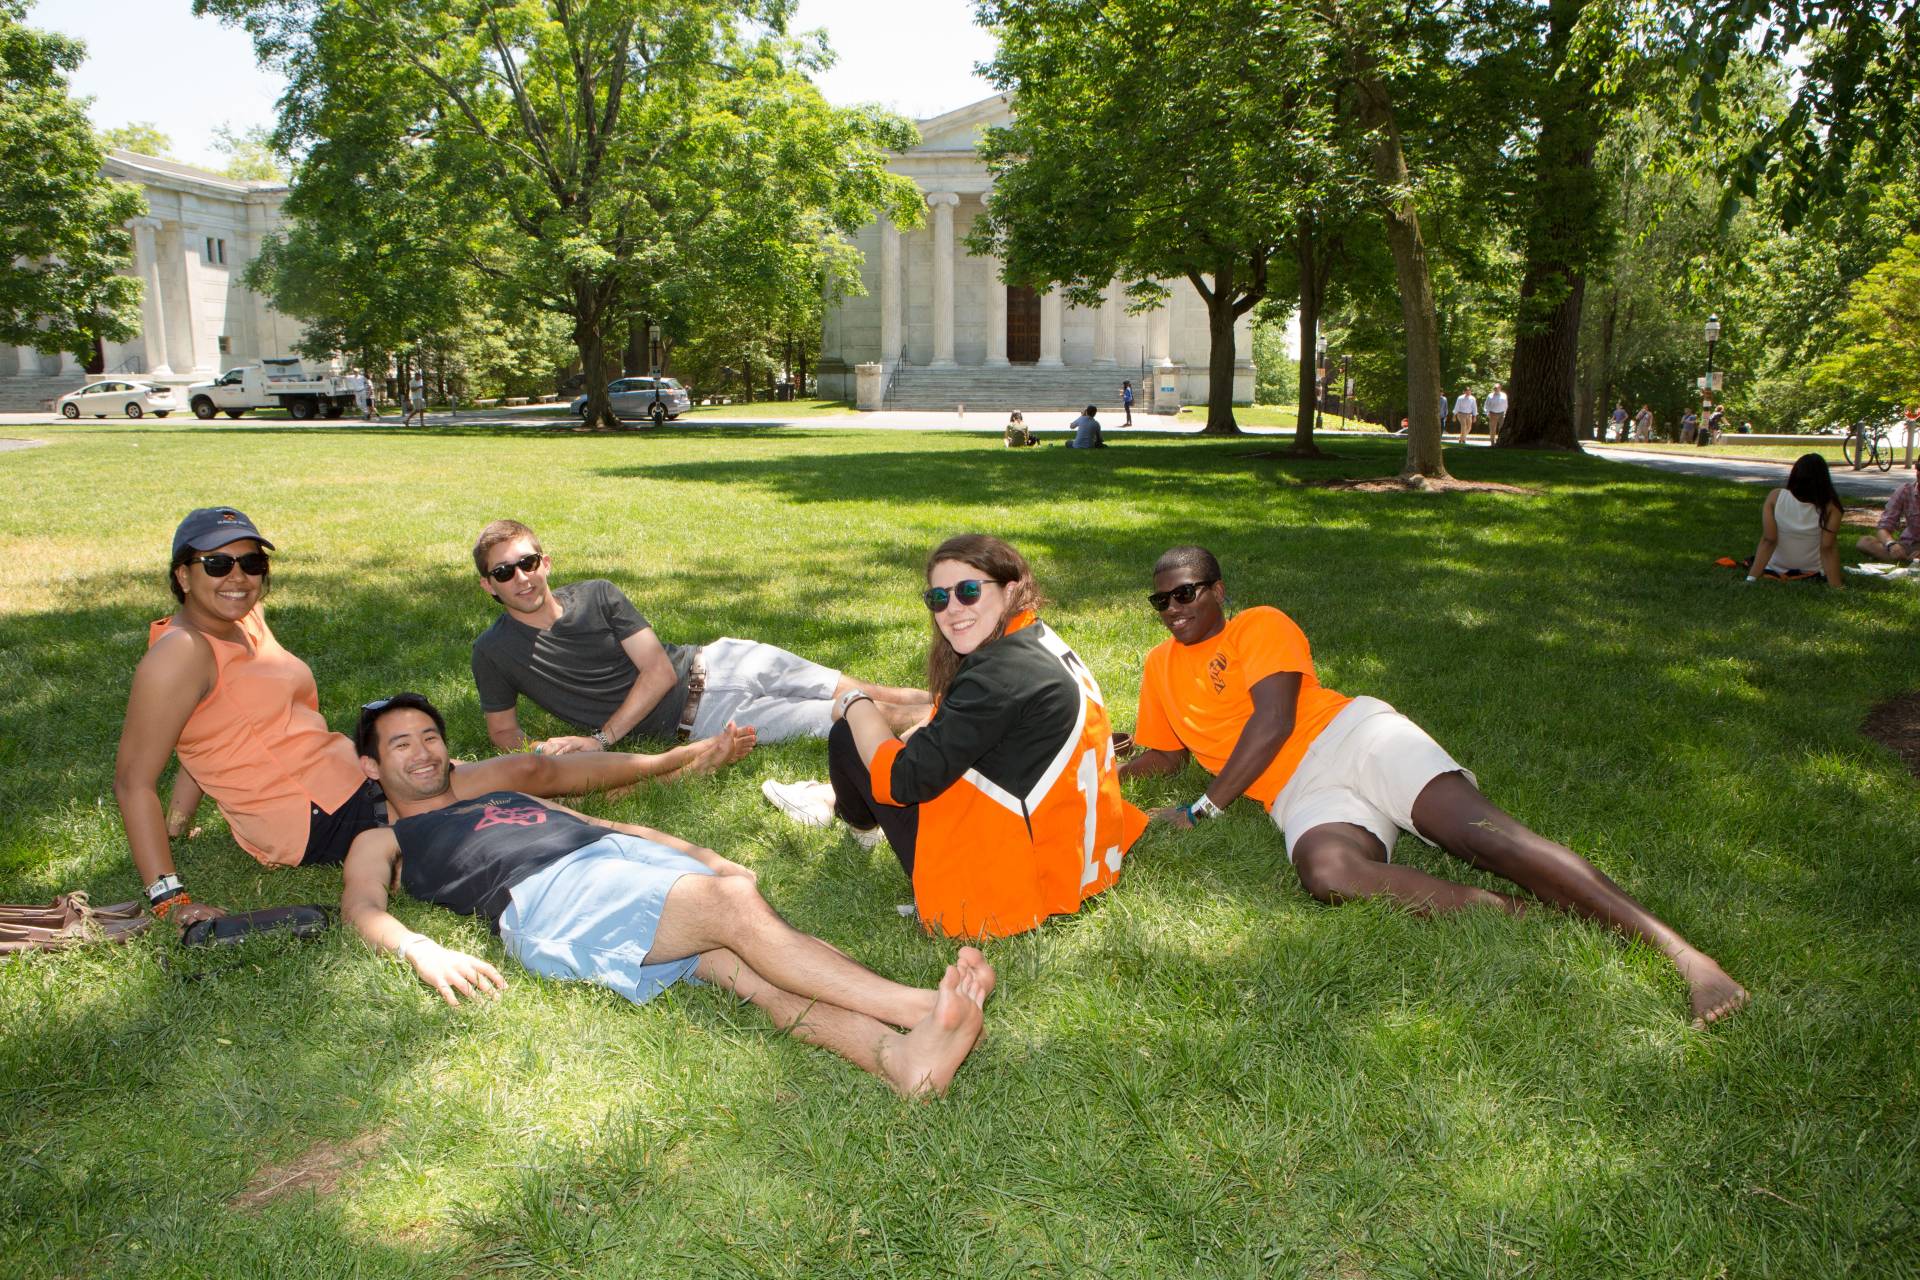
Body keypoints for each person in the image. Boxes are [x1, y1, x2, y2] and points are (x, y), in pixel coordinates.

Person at [1119, 546, 1749, 1028]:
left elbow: (1275, 721)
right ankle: (1523, 913)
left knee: (1485, 835)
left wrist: (1202, 811)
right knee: (1329, 875)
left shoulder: (1258, 624)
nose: (1174, 611)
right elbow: (1166, 757)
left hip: (1352, 738)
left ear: (1218, 590)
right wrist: (1106, 764)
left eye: (1186, 594)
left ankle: (1685, 956)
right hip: (1299, 796)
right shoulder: (1158, 667)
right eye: (1162, 603)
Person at [113, 507, 751, 929]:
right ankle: (674, 762)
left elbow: (204, 735)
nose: (239, 578)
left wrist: (181, 818)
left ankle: (664, 769)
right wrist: (171, 898)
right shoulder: (180, 654)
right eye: (218, 565)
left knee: (521, 774)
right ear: (182, 574)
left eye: (253, 563)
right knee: (520, 780)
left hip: (348, 775)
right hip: (310, 815)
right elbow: (133, 778)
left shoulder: (242, 620)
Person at [343, 694, 992, 1098]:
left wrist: (703, 856)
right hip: (550, 896)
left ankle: (904, 1061)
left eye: (430, 737)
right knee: (733, 913)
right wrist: (421, 950)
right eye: (400, 744)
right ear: (372, 766)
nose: (423, 752)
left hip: (620, 864)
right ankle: (921, 1008)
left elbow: (610, 827)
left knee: (756, 973)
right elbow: (361, 908)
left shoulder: (503, 795)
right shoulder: (386, 838)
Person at [761, 535, 1146, 939]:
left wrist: (857, 701)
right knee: (885, 738)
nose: (953, 609)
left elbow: (901, 780)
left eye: (968, 591)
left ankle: (858, 827)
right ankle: (843, 808)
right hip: (1076, 851)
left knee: (847, 735)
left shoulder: (997, 676)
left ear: (1011, 589)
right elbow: (950, 727)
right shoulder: (1033, 639)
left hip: (1008, 878)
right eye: (939, 598)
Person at [470, 519, 932, 753]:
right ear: (488, 585)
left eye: (528, 563)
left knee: (867, 691)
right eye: (505, 572)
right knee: (855, 715)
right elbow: (503, 732)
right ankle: (966, 723)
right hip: (709, 719)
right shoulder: (493, 652)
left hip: (723, 661)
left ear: (545, 562)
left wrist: (601, 740)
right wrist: (546, 753)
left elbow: (656, 672)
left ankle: (965, 701)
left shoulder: (598, 595)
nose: (522, 579)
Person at [1741, 452, 1844, 586]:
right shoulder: (1832, 507)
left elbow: (1769, 539)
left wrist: (1751, 579)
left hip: (1774, 569)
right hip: (1813, 571)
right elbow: (1827, 547)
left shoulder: (1775, 497)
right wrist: (1837, 587)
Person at [1859, 455, 1920, 564]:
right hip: (1908, 545)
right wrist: (1891, 544)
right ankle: (1906, 559)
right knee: (1864, 542)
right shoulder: (1906, 490)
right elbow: (1884, 526)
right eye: (1919, 467)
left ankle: (1905, 561)